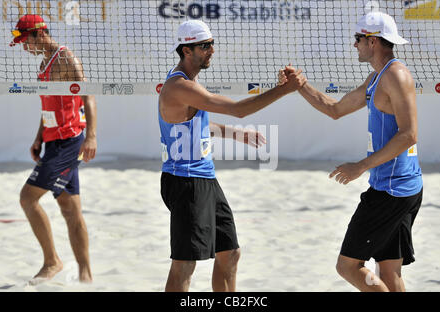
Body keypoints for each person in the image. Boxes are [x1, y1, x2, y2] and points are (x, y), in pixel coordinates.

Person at [280, 12, 423, 292]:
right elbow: (334, 109)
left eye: (358, 39)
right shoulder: (378, 77)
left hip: (391, 192)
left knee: (348, 266)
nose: (354, 45)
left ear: (372, 41)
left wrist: (360, 166)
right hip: (399, 188)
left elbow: (409, 135)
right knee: (389, 271)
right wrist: (301, 85)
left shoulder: (396, 75)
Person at [159, 20, 305, 292]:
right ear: (186, 50)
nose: (212, 50)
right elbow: (238, 109)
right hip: (185, 182)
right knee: (185, 264)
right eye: (205, 45)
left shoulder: (190, 83)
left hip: (204, 178)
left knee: (230, 252)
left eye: (212, 43)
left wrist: (236, 134)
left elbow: (195, 129)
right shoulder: (181, 86)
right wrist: (284, 90)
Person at [11, 15, 97, 284]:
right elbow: (48, 105)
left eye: (26, 41)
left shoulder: (65, 59)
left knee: (27, 198)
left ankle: (52, 261)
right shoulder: (44, 63)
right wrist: (39, 137)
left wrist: (91, 136)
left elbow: (88, 94)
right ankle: (86, 275)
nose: (25, 47)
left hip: (70, 141)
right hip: (53, 141)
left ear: (39, 34)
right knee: (70, 210)